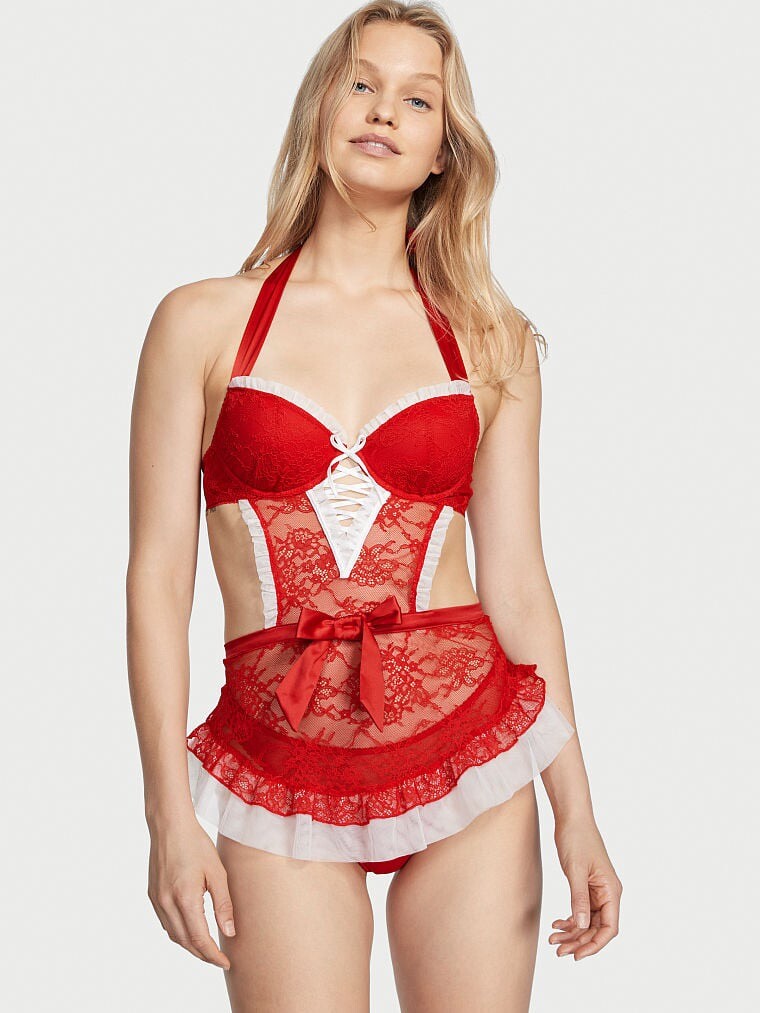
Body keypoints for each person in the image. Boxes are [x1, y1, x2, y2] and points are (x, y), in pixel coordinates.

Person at [127, 2, 622, 1009]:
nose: (384, 110)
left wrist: (577, 809)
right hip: (276, 764)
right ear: (321, 107)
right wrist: (167, 816)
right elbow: (158, 578)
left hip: (469, 746)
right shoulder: (200, 322)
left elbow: (519, 585)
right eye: (362, 83)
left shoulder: (490, 340)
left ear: (446, 150)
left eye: (417, 98)